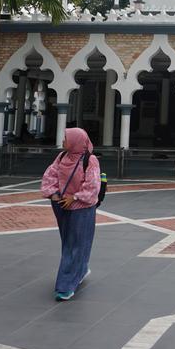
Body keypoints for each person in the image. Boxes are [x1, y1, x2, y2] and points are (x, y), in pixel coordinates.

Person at [41, 127, 101, 301]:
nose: (63, 141)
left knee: (76, 244)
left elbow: (92, 186)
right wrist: (55, 195)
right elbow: (49, 177)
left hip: (81, 208)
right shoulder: (61, 157)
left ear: (77, 141)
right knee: (69, 242)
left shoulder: (90, 160)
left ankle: (65, 285)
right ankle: (80, 269)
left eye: (66, 138)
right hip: (61, 206)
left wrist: (74, 197)